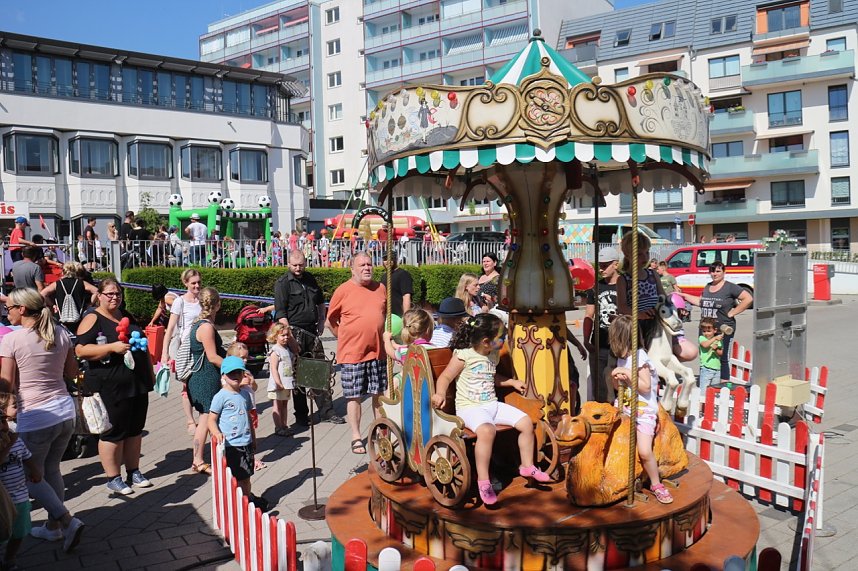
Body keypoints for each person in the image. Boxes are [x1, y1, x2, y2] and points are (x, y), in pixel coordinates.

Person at [431, 313, 550, 506]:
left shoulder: (491, 354)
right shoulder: (464, 355)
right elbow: (445, 377)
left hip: (491, 405)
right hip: (469, 408)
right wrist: (440, 393)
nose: (504, 340)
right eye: (501, 337)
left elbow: (490, 377)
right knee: (487, 431)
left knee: (526, 422)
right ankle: (484, 480)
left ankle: (527, 466)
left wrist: (510, 381)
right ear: (486, 341)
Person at [0, 289, 86, 551]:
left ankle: (66, 521)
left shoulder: (13, 340)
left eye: (10, 306)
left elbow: (6, 385)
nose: (7, 311)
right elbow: (72, 372)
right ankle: (53, 528)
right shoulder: (59, 332)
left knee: (31, 476)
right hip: (64, 412)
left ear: (23, 309)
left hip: (36, 416)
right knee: (52, 470)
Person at [76, 279, 154, 495]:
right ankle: (113, 477)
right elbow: (81, 350)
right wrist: (112, 347)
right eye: (109, 294)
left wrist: (150, 372)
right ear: (99, 295)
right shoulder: (93, 317)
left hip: (136, 382)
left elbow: (143, 346)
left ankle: (134, 471)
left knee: (134, 429)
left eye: (117, 293)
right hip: (109, 384)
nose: (114, 297)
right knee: (113, 431)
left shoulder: (125, 314)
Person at [608, 314, 673, 504]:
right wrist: (615, 376)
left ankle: (656, 484)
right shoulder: (623, 358)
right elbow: (617, 387)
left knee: (644, 451)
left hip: (643, 411)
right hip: (627, 407)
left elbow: (645, 386)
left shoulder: (639, 357)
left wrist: (627, 373)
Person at [327, 253, 387, 454]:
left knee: (379, 394)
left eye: (370, 264)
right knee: (354, 397)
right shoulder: (343, 290)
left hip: (377, 353)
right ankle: (355, 436)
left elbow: (384, 315)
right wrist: (344, 337)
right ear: (352, 268)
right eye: (362, 265)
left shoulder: (381, 288)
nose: (367, 268)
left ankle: (381, 433)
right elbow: (330, 321)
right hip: (352, 354)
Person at [273, 251, 342, 425]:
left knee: (318, 371)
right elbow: (281, 313)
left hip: (312, 332)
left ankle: (326, 411)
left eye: (301, 265)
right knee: (297, 376)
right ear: (288, 264)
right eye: (294, 265)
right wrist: (290, 338)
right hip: (294, 332)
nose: (298, 268)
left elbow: (320, 301)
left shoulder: (310, 279)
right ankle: (302, 416)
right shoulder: (283, 284)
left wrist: (321, 320)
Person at [679, 261, 753, 383]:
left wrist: (733, 313)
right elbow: (701, 302)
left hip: (723, 327)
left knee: (722, 357)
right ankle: (706, 382)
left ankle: (723, 386)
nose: (715, 274)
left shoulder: (730, 287)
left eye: (718, 271)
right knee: (705, 355)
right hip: (706, 328)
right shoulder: (708, 286)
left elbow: (748, 298)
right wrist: (683, 295)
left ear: (724, 272)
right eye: (712, 271)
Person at [209, 356, 263, 508]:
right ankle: (237, 504)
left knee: (246, 477)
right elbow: (211, 419)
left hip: (245, 442)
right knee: (235, 477)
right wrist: (216, 433)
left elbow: (248, 418)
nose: (235, 376)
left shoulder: (245, 394)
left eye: (238, 373)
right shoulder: (220, 396)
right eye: (231, 373)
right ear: (223, 375)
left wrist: (253, 438)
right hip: (231, 445)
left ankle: (246, 501)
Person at [186, 287, 225, 474]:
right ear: (217, 304)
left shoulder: (199, 323)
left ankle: (199, 458)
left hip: (202, 377)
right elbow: (212, 357)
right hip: (205, 377)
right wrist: (235, 367)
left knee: (206, 417)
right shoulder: (206, 327)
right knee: (206, 419)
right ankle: (198, 459)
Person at [160, 269, 203, 435]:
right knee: (187, 384)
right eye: (193, 283)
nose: (197, 285)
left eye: (198, 282)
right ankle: (190, 419)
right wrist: (165, 353)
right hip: (186, 348)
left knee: (201, 383)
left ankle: (203, 415)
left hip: (202, 347)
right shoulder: (180, 302)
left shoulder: (202, 300)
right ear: (186, 283)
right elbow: (170, 328)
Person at [0, 392, 40, 567]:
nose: (4, 425)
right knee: (3, 531)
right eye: (1, 421)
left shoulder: (15, 438)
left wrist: (35, 470)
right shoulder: (8, 441)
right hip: (3, 499)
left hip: (20, 494)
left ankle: (10, 557)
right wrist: (9, 443)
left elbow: (26, 455)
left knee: (20, 531)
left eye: (4, 421)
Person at [584, 246, 620, 403]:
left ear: (616, 264)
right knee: (599, 388)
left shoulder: (625, 285)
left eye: (606, 265)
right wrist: (586, 340)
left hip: (619, 345)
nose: (601, 269)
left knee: (619, 385)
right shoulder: (595, 287)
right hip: (598, 345)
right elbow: (588, 315)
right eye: (600, 265)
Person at [39, 261, 99, 333]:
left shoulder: (57, 283)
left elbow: (43, 294)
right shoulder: (81, 283)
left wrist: (53, 305)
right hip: (79, 315)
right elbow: (97, 291)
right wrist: (90, 304)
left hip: (61, 316)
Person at [266, 323, 296, 437]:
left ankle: (284, 425)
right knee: (277, 405)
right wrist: (278, 382)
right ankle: (278, 427)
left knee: (284, 405)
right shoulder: (275, 351)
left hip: (287, 383)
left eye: (287, 335)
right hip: (278, 383)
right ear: (275, 336)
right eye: (282, 335)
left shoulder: (287, 349)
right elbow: (273, 368)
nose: (286, 337)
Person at [698, 317, 724, 390]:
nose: (706, 333)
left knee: (714, 390)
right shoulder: (702, 338)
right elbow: (705, 345)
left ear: (715, 330)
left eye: (709, 331)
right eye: (704, 331)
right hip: (706, 368)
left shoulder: (719, 340)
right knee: (704, 390)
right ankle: (702, 401)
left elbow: (720, 353)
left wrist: (716, 349)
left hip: (717, 369)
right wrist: (714, 339)